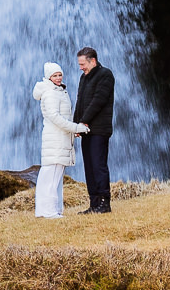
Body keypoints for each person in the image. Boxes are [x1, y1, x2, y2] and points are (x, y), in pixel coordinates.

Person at [32, 62, 87, 217]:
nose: (58, 78)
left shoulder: (58, 91)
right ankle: (47, 212)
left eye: (59, 75)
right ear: (48, 77)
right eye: (54, 75)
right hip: (55, 138)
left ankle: (52, 210)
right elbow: (55, 117)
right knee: (51, 173)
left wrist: (73, 128)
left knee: (55, 174)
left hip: (60, 137)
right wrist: (76, 127)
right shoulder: (50, 93)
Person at [73, 46, 116, 214]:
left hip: (99, 129)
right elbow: (80, 102)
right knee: (89, 167)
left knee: (99, 165)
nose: (81, 67)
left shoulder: (105, 74)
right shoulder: (84, 78)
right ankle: (94, 203)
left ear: (93, 61)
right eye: (79, 64)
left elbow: (98, 101)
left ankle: (105, 203)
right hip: (86, 129)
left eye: (83, 64)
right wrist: (76, 125)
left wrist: (83, 121)